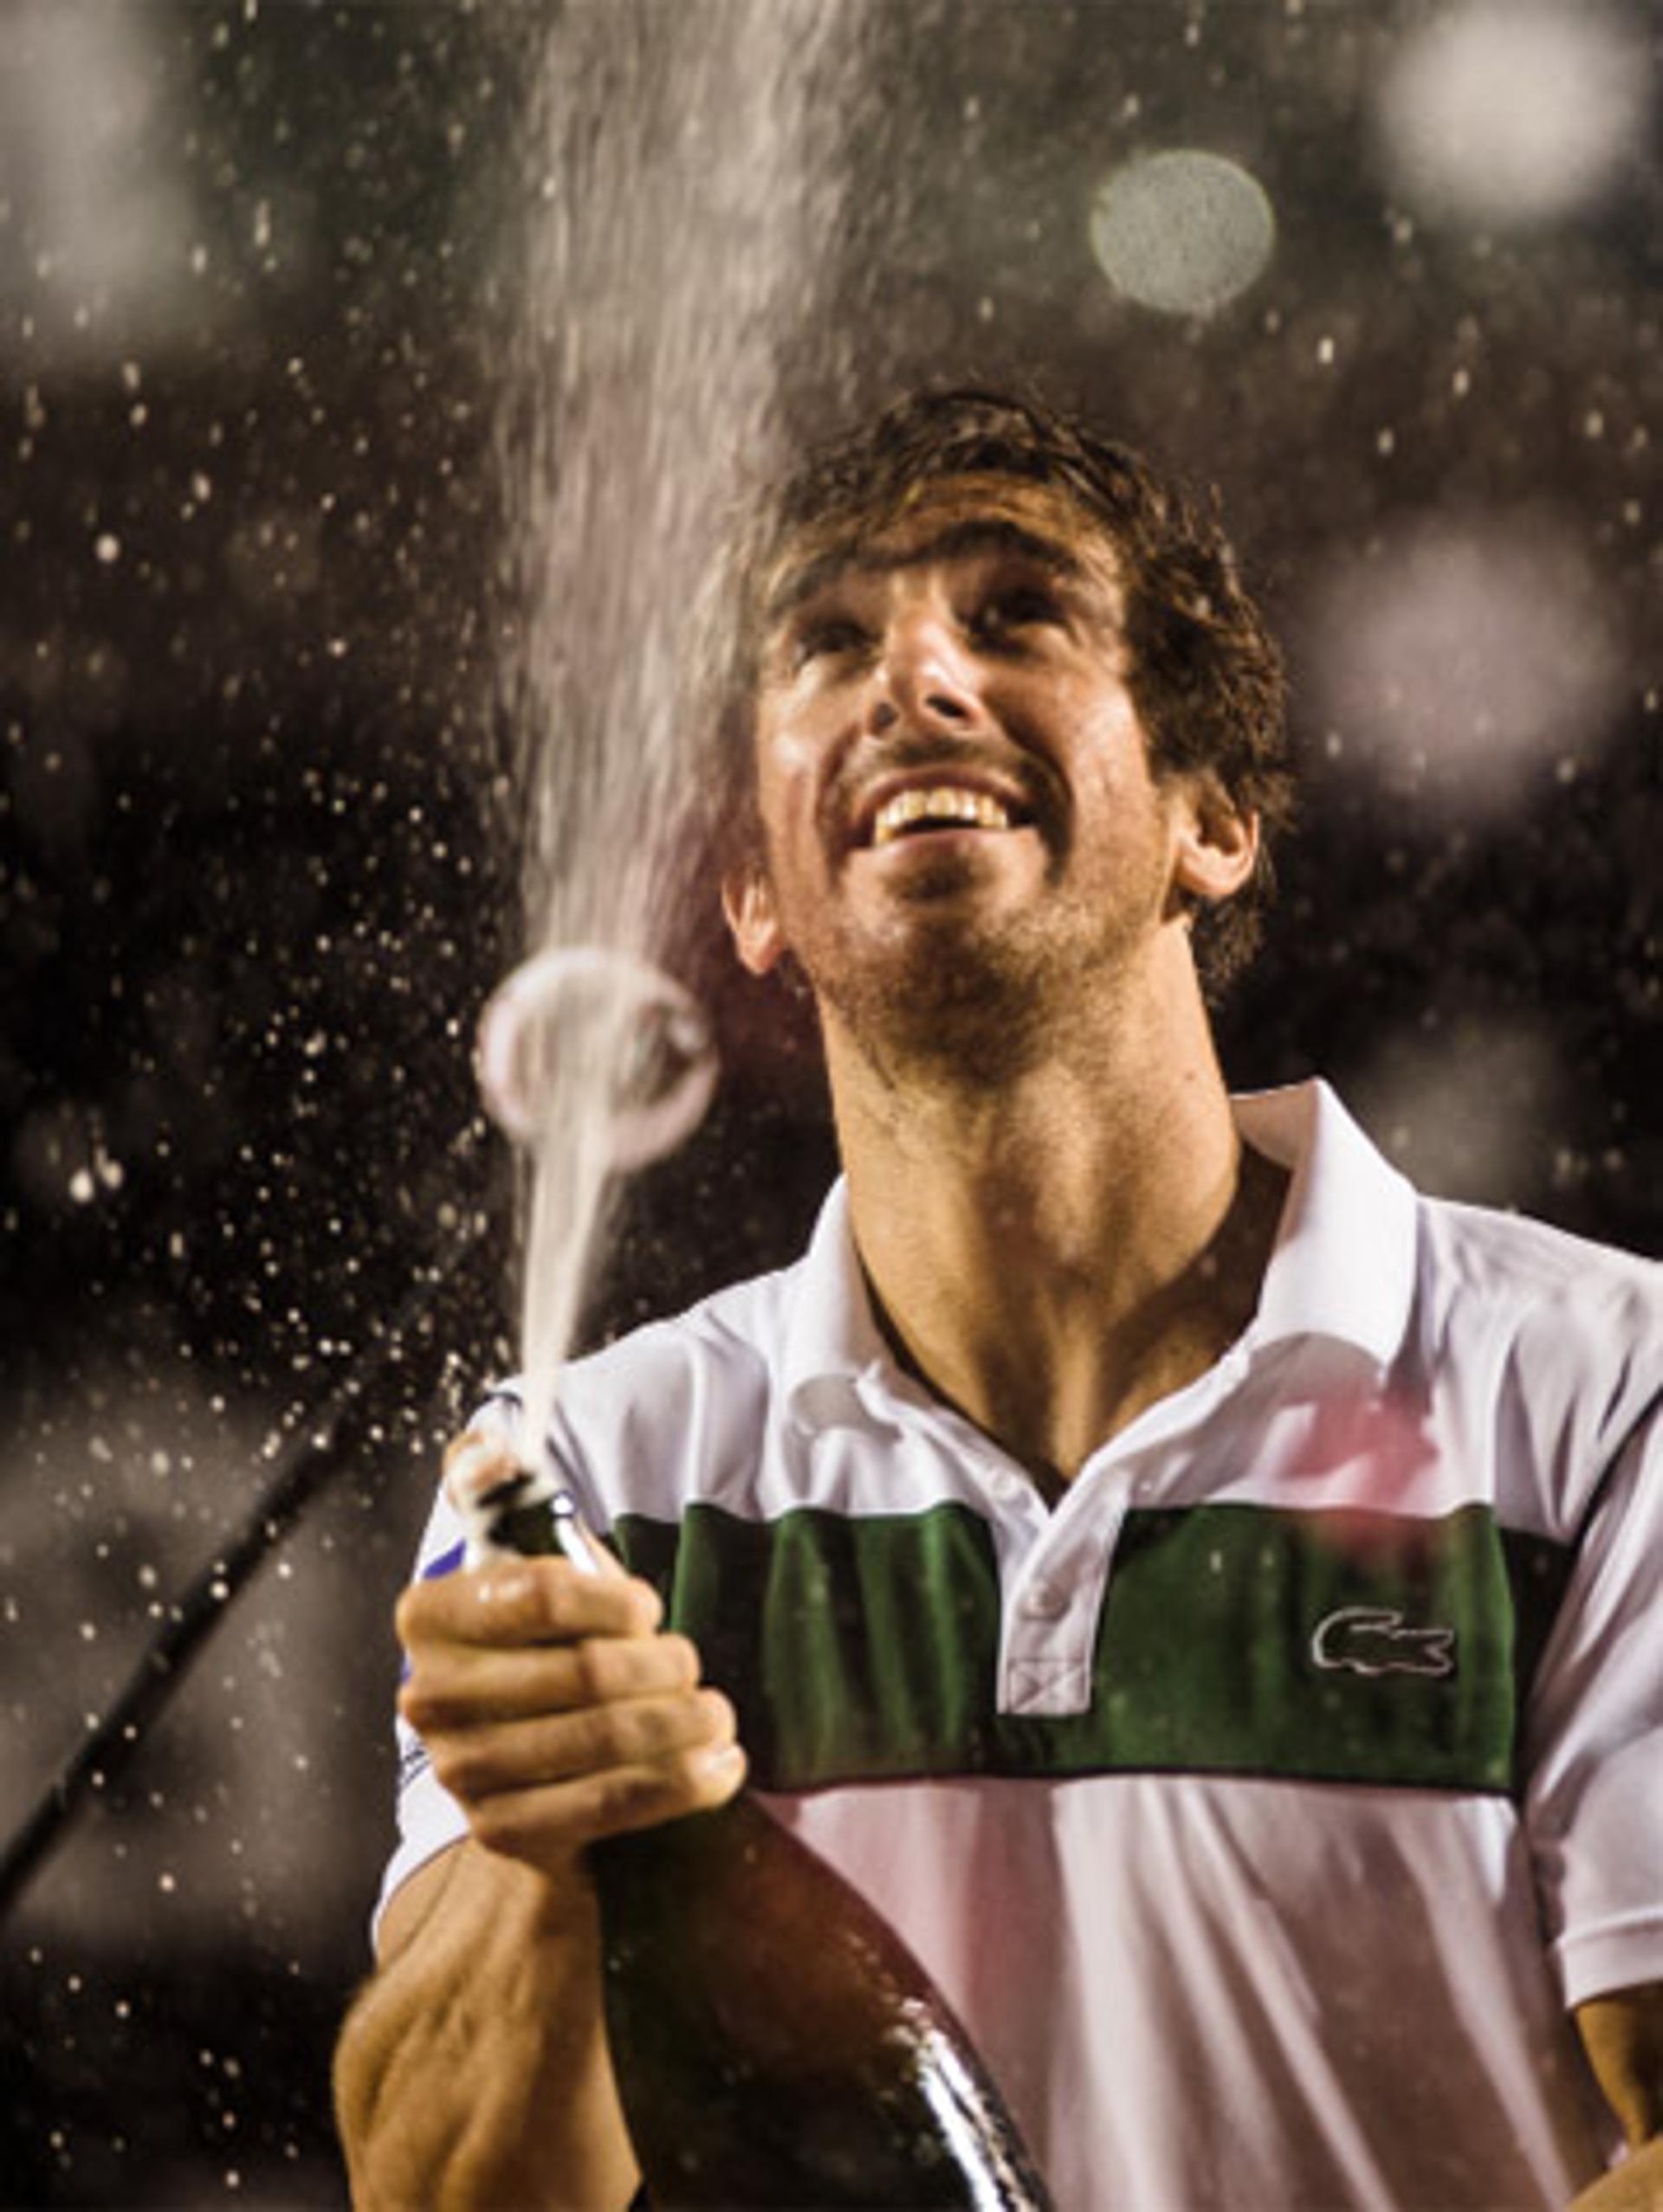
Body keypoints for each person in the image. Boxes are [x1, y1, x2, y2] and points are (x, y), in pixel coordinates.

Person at [333, 387, 1661, 2209]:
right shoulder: (588, 1472)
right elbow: (439, 2190)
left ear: (1212, 815)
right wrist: (543, 1841)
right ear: (749, 892)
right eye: (827, 640)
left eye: (1014, 614)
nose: (913, 681)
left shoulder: (1600, 1391)